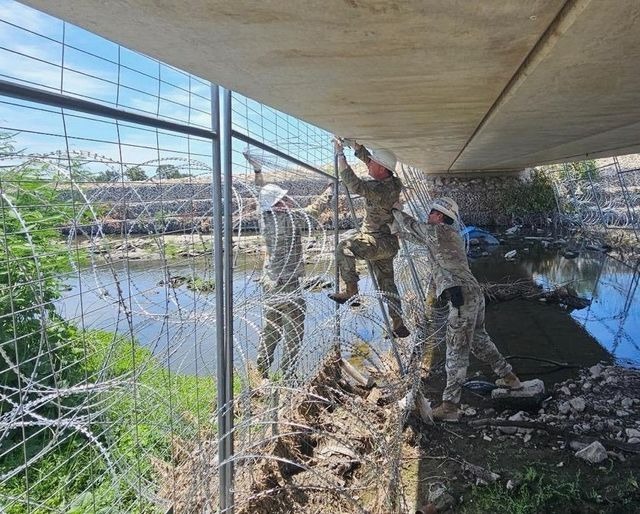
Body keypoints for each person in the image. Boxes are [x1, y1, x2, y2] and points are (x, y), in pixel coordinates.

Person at [391, 197, 521, 421]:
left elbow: (414, 226)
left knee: (456, 350)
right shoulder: (444, 236)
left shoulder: (440, 230)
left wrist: (395, 210)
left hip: (462, 297)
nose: (428, 216)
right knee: (480, 341)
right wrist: (396, 232)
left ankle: (450, 406)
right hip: (472, 295)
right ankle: (510, 378)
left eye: (431, 213)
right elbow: (417, 237)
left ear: (439, 216)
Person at [253, 166, 333, 381]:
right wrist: (330, 190)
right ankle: (289, 376)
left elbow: (259, 193)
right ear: (277, 204)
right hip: (288, 284)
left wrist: (258, 173)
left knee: (271, 328)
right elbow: (314, 211)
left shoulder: (264, 217)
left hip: (270, 282)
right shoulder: (289, 220)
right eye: (284, 199)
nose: (289, 201)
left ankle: (261, 372)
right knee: (294, 332)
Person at [328, 138, 410, 338]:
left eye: (372, 162)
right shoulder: (392, 182)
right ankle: (399, 324)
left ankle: (351, 290)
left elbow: (354, 184)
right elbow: (372, 163)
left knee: (343, 247)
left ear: (381, 169)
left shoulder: (378, 189)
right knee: (388, 284)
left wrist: (340, 154)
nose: (368, 164)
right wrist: (356, 146)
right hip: (388, 243)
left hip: (376, 240)